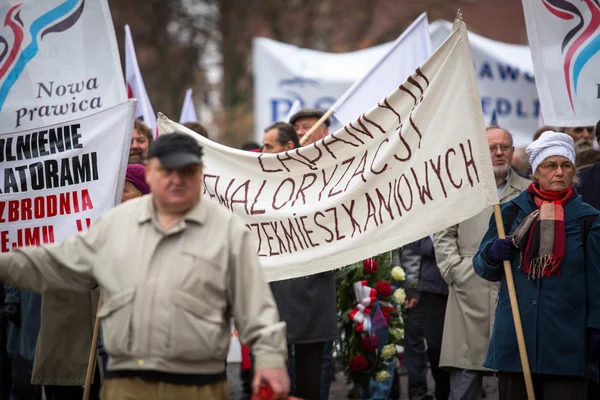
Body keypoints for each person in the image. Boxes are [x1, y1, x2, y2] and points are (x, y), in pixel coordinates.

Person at [0, 133, 289, 400]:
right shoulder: (116, 225)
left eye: (187, 171)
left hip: (200, 386)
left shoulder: (227, 231)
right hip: (127, 385)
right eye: (167, 170)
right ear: (150, 172)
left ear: (200, 174)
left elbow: (257, 311)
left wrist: (271, 361)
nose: (177, 179)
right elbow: (52, 264)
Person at [473, 130, 600, 400]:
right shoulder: (509, 212)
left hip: (567, 347)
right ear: (536, 171)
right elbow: (483, 267)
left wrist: (595, 328)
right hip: (516, 344)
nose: (559, 172)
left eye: (566, 166)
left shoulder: (588, 219)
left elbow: (597, 284)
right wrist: (491, 255)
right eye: (550, 165)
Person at [433, 126, 530, 400]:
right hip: (468, 297)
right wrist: (457, 271)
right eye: (491, 147)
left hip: (514, 298)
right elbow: (443, 234)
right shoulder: (458, 189)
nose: (499, 153)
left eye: (505, 147)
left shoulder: (528, 191)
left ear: (512, 151)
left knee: (514, 384)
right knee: (464, 385)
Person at [261, 122, 337, 400]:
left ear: (288, 147)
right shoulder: (255, 184)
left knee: (309, 383)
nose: (262, 152)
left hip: (312, 294)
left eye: (268, 146)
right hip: (273, 294)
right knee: (273, 382)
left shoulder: (318, 180)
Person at [403, 237, 451, 400]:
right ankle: (423, 390)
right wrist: (411, 286)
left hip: (457, 283)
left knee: (459, 342)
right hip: (428, 287)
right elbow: (415, 244)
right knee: (430, 343)